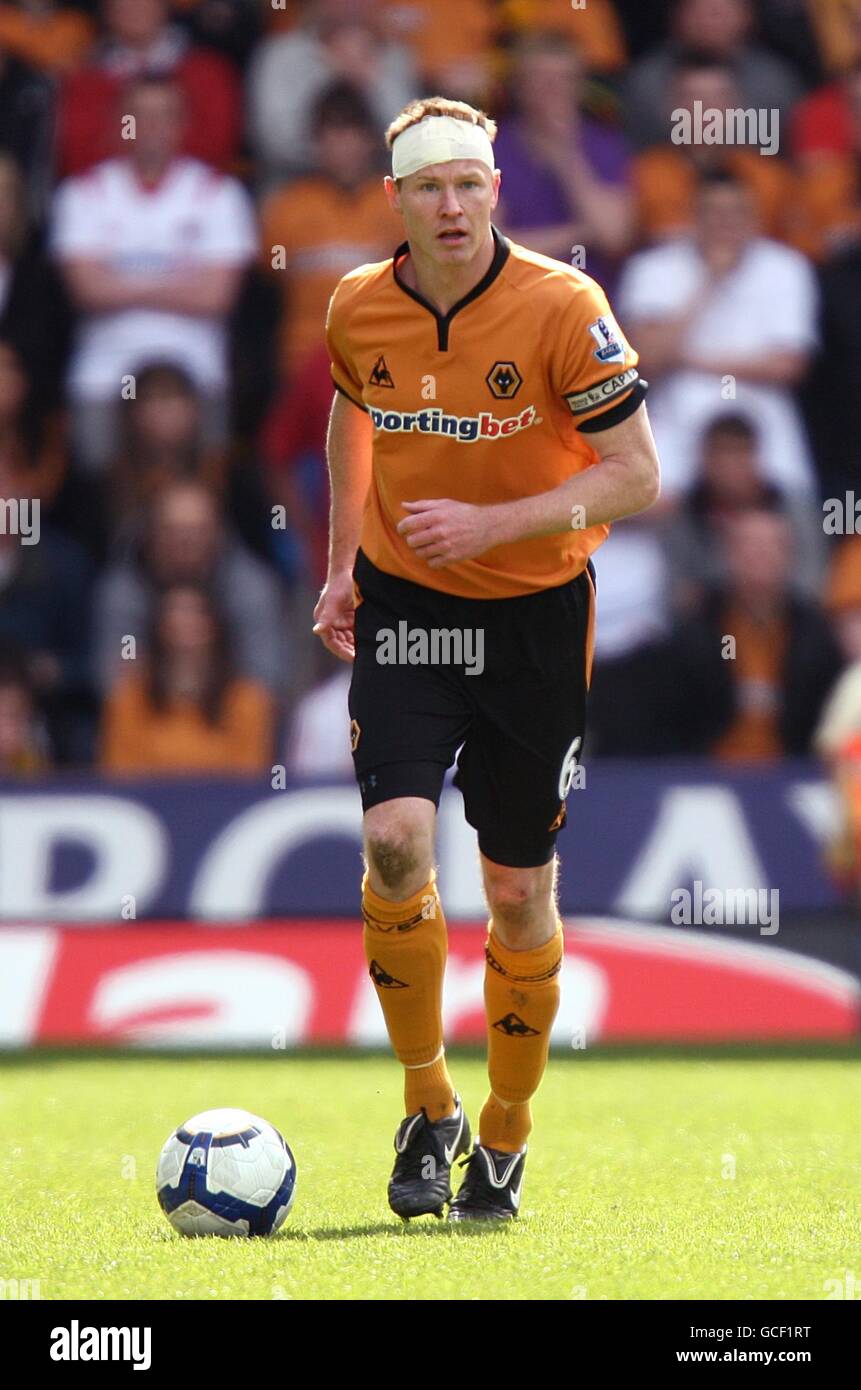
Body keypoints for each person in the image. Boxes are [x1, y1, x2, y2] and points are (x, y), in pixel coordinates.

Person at [314, 96, 660, 1221]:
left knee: (517, 894)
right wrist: (335, 565)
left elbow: (635, 472)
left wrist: (493, 523)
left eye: (469, 182)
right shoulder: (358, 308)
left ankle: (505, 1133)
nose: (451, 204)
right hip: (407, 606)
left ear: (496, 191)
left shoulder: (565, 307)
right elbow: (350, 419)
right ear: (396, 201)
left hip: (533, 619)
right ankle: (427, 1102)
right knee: (396, 844)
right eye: (428, 187)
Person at [50, 72, 256, 473]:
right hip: (103, 377)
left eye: (165, 116)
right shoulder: (81, 193)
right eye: (139, 116)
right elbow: (86, 290)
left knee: (200, 497)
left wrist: (122, 283)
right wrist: (180, 282)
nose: (152, 127)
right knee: (104, 500)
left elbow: (216, 297)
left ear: (183, 124)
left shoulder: (220, 194)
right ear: (119, 122)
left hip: (197, 373)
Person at [101, 583, 273, 774]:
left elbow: (250, 780)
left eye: (195, 615)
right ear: (157, 630)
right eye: (174, 616)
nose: (184, 625)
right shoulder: (129, 699)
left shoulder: (247, 701)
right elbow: (120, 777)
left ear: (215, 628)